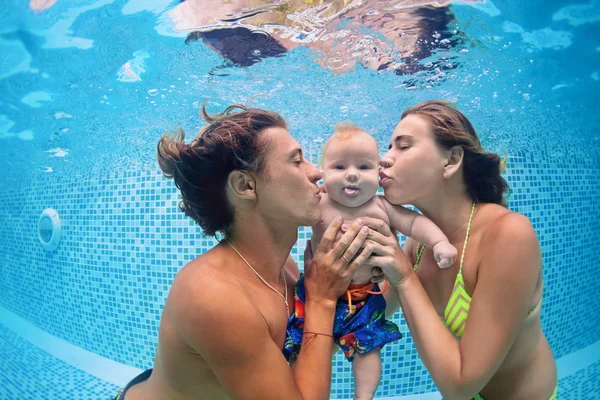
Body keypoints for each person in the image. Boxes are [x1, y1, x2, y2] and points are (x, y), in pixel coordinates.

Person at [112, 104, 377, 400]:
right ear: (245, 185)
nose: (316, 173)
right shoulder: (214, 295)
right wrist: (322, 299)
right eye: (297, 161)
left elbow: (310, 348)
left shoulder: (283, 268)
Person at [358, 100, 558, 399]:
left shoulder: (507, 235)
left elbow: (460, 385)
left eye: (404, 146)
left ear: (451, 160)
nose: (384, 159)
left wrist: (402, 276)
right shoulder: (420, 247)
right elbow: (361, 320)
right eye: (389, 147)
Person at [285, 123, 457, 399]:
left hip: (363, 297)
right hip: (315, 293)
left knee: (369, 350)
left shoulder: (381, 206)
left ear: (378, 173)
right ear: (324, 173)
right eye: (339, 167)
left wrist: (439, 242)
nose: (352, 175)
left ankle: (363, 398)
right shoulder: (320, 204)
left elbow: (414, 223)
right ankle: (293, 388)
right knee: (300, 346)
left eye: (364, 167)